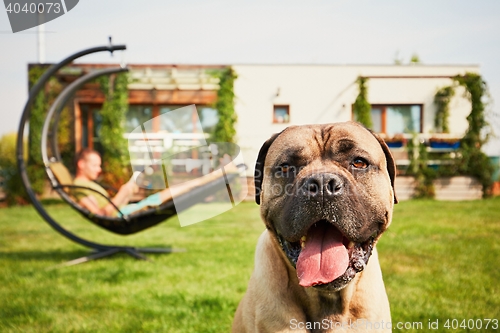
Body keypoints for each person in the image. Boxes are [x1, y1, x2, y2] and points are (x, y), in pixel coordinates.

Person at [73, 148, 164, 217]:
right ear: (81, 164)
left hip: (123, 211)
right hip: (122, 214)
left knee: (162, 197)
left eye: (99, 165)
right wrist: (121, 193)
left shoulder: (89, 184)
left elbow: (114, 208)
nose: (99, 169)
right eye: (94, 165)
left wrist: (127, 194)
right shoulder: (79, 187)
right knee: (161, 197)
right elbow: (100, 214)